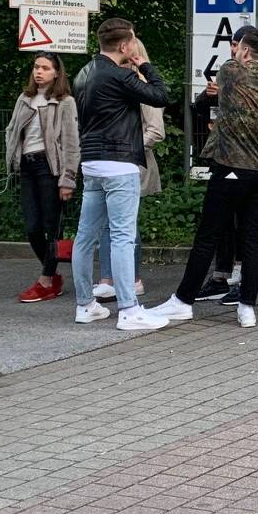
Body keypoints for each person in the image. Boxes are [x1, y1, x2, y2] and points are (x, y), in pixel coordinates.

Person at [151, 27, 258, 329]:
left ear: (244, 50)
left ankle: (183, 301)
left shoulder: (230, 71)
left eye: (237, 46)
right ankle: (247, 307)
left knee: (208, 235)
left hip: (229, 167)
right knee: (251, 239)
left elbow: (220, 88)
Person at [72, 20, 171, 330]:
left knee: (85, 236)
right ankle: (129, 309)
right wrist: (146, 66)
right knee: (122, 237)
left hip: (90, 162)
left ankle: (85, 304)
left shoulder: (83, 74)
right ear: (126, 46)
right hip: (119, 163)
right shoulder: (120, 74)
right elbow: (159, 95)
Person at [87, 38, 166, 307]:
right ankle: (108, 278)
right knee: (109, 223)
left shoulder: (141, 88)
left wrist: (125, 147)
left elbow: (156, 131)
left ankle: (130, 279)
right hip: (115, 161)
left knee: (122, 223)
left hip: (134, 162)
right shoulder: (113, 82)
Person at [4, 51, 80, 304]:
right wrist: (12, 155)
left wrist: (67, 179)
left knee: (51, 228)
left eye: (45, 68)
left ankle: (47, 280)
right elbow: (12, 130)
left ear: (56, 73)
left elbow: (71, 142)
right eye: (36, 67)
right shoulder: (24, 99)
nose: (39, 72)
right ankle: (53, 273)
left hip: (50, 169)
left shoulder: (65, 101)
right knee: (32, 228)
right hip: (27, 166)